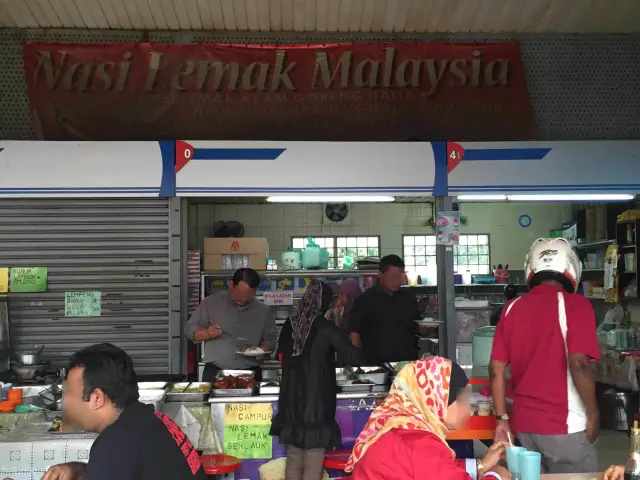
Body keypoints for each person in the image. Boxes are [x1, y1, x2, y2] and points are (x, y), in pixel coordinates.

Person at [490, 237, 600, 473]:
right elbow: (579, 363)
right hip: (564, 427)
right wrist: (593, 413)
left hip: (524, 429)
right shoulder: (576, 305)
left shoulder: (511, 307)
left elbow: (495, 370)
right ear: (572, 267)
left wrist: (502, 419)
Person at [42, 343, 207, 480]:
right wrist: (77, 471)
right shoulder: (150, 418)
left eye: (70, 392)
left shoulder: (116, 443)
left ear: (97, 398)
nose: (65, 401)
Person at [345, 357, 510, 480]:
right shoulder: (419, 442)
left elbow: (439, 468)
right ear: (436, 400)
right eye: (462, 399)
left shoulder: (404, 426)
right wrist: (498, 474)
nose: (467, 409)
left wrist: (482, 465)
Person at [270, 280, 364, 480]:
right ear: (322, 301)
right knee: (313, 458)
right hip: (317, 403)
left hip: (291, 401)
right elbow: (352, 356)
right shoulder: (324, 326)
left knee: (294, 457)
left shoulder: (289, 324)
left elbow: (279, 355)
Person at [185, 268, 276, 382]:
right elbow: (189, 330)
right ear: (231, 285)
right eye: (239, 295)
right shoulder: (211, 303)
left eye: (247, 297)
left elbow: (270, 340)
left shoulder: (264, 311)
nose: (242, 301)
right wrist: (207, 333)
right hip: (215, 372)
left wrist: (261, 351)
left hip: (250, 373)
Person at [348, 255, 422, 365]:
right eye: (392, 276)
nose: (396, 280)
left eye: (400, 276)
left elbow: (416, 326)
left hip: (406, 365)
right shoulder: (365, 300)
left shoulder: (408, 298)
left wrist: (426, 328)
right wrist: (357, 364)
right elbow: (354, 335)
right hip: (377, 365)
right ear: (380, 275)